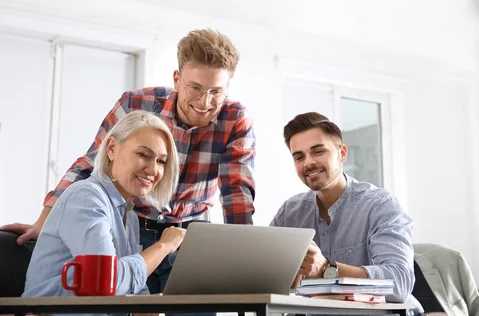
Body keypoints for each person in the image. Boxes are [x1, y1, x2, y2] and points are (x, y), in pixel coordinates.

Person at [2, 28, 256, 294]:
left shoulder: (236, 119)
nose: (205, 102)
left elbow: (236, 193)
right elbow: (90, 162)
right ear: (177, 79)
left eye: (216, 91)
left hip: (189, 234)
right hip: (135, 223)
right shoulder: (137, 103)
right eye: (196, 88)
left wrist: (242, 256)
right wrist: (45, 220)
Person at [22, 110, 186, 300]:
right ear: (112, 148)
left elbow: (126, 284)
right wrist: (164, 246)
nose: (153, 169)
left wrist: (143, 302)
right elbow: (108, 283)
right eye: (143, 154)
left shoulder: (129, 214)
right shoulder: (86, 198)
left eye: (161, 161)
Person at [270, 112, 419, 307]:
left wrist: (327, 268)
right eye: (299, 157)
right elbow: (268, 277)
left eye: (318, 151)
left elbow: (399, 283)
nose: (308, 162)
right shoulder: (289, 213)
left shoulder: (380, 205)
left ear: (342, 153)